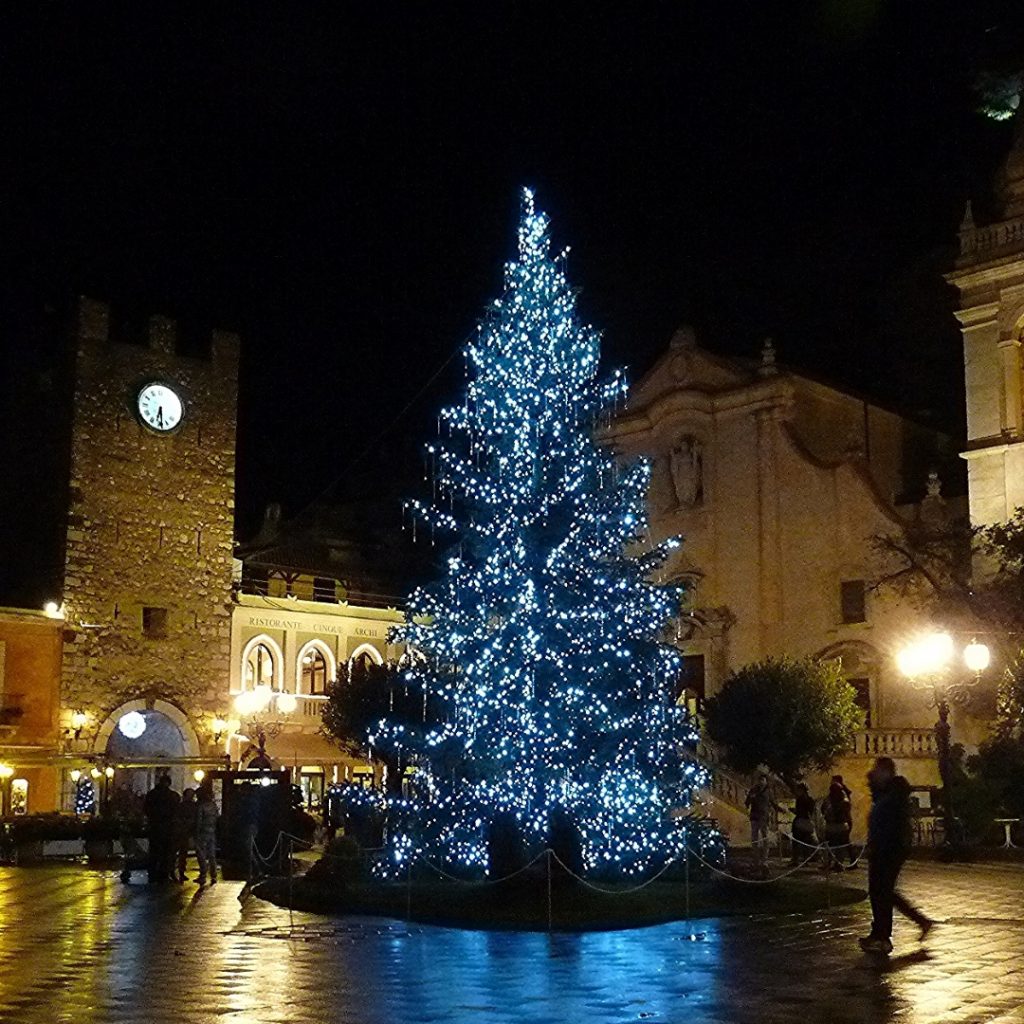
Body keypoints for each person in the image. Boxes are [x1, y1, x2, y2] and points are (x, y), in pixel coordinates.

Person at [859, 756, 934, 954]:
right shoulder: (886, 793)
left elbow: (891, 824)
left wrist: (882, 845)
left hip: (889, 849)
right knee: (883, 892)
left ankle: (883, 937)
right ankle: (891, 931)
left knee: (881, 891)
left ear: (887, 772)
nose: (874, 773)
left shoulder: (895, 796)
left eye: (877, 769)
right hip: (884, 848)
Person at [143, 773, 180, 883]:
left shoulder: (152, 795)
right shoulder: (173, 796)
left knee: (154, 851)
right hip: (168, 828)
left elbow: (146, 809)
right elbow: (176, 812)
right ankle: (164, 873)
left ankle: (153, 871)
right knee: (167, 852)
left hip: (155, 827)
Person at [745, 769, 781, 875]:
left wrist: (779, 809)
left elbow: (773, 802)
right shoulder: (753, 790)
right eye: (760, 780)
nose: (761, 782)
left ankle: (764, 860)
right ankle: (756, 859)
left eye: (763, 780)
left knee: (765, 839)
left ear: (766, 781)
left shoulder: (768, 791)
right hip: (755, 817)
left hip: (764, 818)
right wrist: (750, 800)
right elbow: (747, 802)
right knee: (754, 839)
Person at [821, 776, 854, 869]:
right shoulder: (843, 798)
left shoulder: (832, 799)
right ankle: (837, 864)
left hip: (834, 825)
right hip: (840, 825)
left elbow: (823, 809)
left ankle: (832, 863)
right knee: (839, 846)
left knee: (833, 845)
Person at [194, 781, 219, 886]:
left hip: (202, 831)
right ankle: (213, 874)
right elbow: (217, 817)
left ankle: (203, 875)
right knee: (211, 854)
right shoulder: (213, 805)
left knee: (201, 854)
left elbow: (199, 820)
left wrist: (196, 831)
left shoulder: (201, 806)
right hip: (212, 830)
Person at [173, 788, 197, 882]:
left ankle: (178, 871)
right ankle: (179, 871)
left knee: (181, 853)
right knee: (181, 853)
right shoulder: (192, 806)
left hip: (181, 831)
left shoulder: (181, 806)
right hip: (182, 832)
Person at [790, 783, 817, 865]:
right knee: (806, 842)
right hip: (807, 822)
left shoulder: (800, 799)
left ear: (801, 790)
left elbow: (799, 811)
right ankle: (806, 860)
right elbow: (811, 812)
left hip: (799, 822)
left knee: (796, 842)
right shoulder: (810, 800)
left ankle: (796, 860)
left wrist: (793, 811)